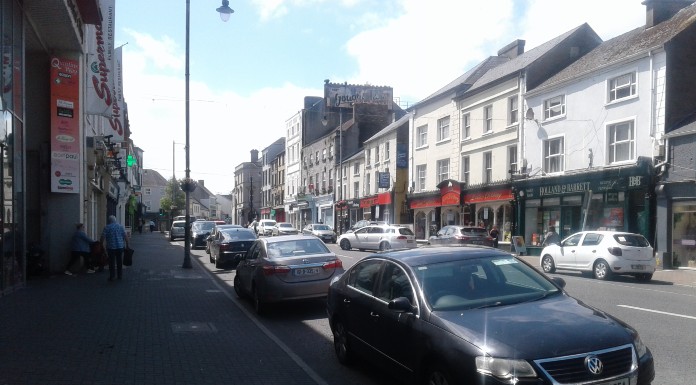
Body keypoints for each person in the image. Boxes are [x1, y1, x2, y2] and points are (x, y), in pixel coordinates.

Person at [101, 215, 130, 282]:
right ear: (115, 220)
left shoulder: (107, 227)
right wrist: (127, 245)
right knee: (119, 262)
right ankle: (119, 276)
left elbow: (102, 237)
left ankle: (112, 276)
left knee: (111, 262)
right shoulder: (120, 227)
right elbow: (126, 237)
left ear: (109, 221)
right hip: (120, 247)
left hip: (111, 248)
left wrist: (101, 244)